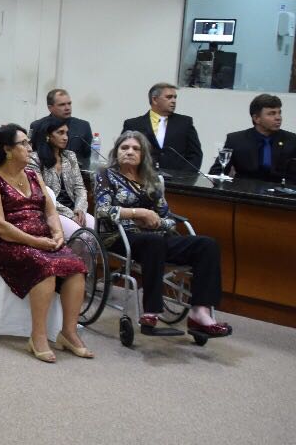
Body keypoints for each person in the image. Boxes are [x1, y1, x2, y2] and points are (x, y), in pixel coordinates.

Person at [94, 131, 232, 339]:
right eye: (124, 148)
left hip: (155, 236)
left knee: (207, 245)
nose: (129, 152)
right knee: (154, 241)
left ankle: (200, 312)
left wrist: (157, 221)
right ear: (116, 152)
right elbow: (103, 210)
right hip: (120, 236)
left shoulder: (152, 181)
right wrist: (139, 213)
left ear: (143, 155)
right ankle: (151, 311)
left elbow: (168, 219)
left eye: (135, 148)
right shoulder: (106, 175)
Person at [0, 124, 92, 362]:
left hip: (41, 239)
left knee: (77, 267)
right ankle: (37, 336)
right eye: (24, 143)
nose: (30, 148)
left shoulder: (32, 175)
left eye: (29, 142)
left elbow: (50, 211)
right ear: (7, 149)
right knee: (44, 267)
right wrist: (36, 242)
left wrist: (57, 234)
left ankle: (68, 333)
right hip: (5, 243)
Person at [29, 116, 95, 237]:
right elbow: (42, 194)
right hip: (50, 211)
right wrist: (70, 214)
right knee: (81, 235)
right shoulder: (34, 159)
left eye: (66, 133)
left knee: (94, 229)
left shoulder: (70, 156)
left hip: (74, 209)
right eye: (60, 133)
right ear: (47, 135)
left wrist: (79, 209)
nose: (65, 137)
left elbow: (80, 187)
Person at [212, 93, 294, 181]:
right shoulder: (236, 140)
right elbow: (217, 172)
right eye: (271, 114)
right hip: (244, 188)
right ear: (256, 118)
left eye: (279, 113)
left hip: (280, 188)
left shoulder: (292, 140)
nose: (278, 118)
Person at [122, 83, 202, 172]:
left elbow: (195, 155)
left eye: (175, 97)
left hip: (177, 178)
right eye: (169, 97)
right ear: (155, 99)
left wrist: (185, 176)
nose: (173, 101)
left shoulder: (185, 123)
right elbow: (123, 152)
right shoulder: (133, 124)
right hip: (142, 176)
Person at [29, 88, 94, 169]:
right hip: (44, 171)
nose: (67, 108)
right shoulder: (37, 125)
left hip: (76, 172)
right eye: (62, 105)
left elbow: (87, 156)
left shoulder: (83, 126)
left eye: (69, 103)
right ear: (50, 108)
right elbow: (31, 152)